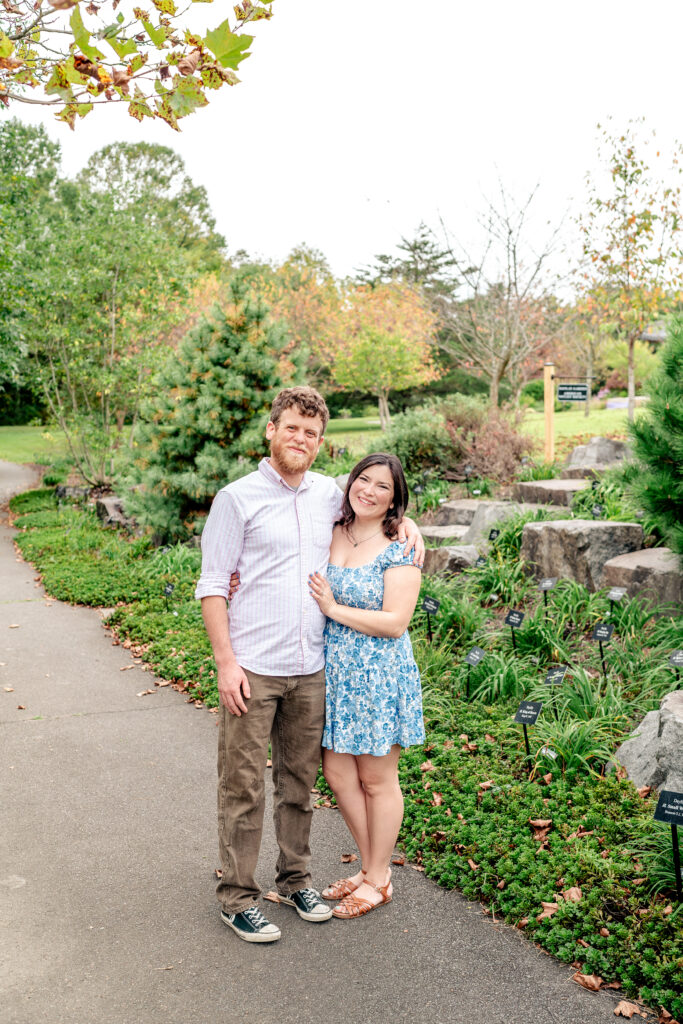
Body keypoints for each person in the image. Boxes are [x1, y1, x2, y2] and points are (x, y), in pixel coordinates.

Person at [195, 386, 424, 944]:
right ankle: (238, 896)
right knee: (244, 786)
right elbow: (211, 585)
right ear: (272, 429)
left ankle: (296, 879)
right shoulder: (237, 498)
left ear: (322, 444)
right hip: (254, 666)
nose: (301, 439)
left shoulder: (329, 496)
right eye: (292, 427)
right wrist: (226, 663)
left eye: (313, 433)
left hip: (313, 668)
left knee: (300, 784)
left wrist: (411, 525)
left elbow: (381, 516)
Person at [307, 452, 424, 918]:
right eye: (364, 480)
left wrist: (334, 609)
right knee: (337, 775)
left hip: (377, 674)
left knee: (377, 780)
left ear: (396, 501)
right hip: (334, 672)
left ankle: (378, 878)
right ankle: (371, 866)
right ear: (350, 481)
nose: (369, 491)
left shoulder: (400, 546)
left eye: (383, 487)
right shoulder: (333, 529)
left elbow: (396, 622)